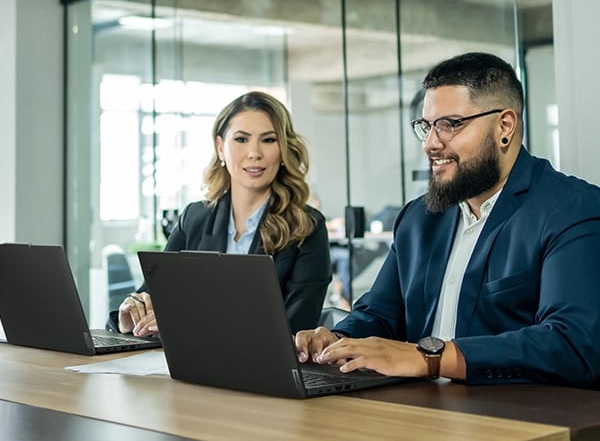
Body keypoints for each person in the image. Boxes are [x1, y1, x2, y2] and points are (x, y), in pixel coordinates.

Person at [295, 52, 600, 387]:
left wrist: (432, 358)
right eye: (426, 126)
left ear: (505, 126)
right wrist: (336, 340)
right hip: (420, 411)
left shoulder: (572, 209)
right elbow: (379, 316)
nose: (430, 143)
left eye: (449, 124)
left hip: (521, 419)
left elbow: (571, 344)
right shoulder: (418, 218)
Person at [107, 91, 332, 335]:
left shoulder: (306, 227)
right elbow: (153, 298)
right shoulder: (193, 219)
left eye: (268, 140)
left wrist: (188, 323)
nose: (254, 153)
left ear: (284, 149)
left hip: (262, 371)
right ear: (220, 147)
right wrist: (129, 319)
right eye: (241, 140)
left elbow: (296, 329)